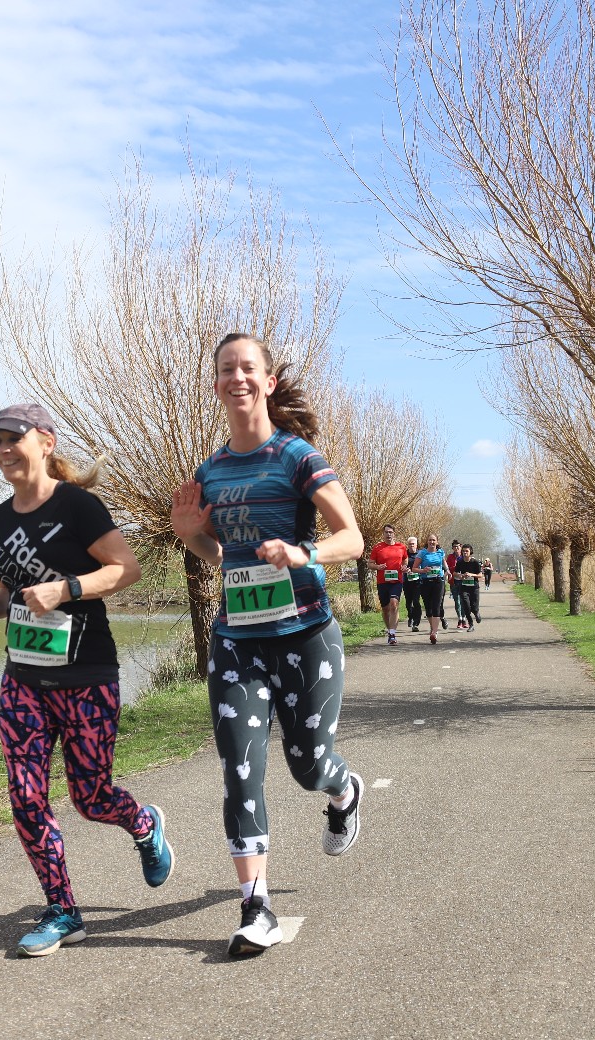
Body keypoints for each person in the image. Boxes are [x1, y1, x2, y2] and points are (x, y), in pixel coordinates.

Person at [171, 332, 367, 958]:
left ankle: (343, 789)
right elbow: (218, 554)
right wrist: (190, 533)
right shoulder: (210, 472)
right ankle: (255, 907)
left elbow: (352, 538)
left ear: (268, 381)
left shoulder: (296, 457)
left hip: (305, 636)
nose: (238, 377)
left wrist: (302, 553)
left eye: (248, 368)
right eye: (227, 369)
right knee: (240, 770)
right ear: (216, 384)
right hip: (237, 642)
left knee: (308, 766)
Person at [0, 402, 174, 958]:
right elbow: (14, 590)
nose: (3, 449)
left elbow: (125, 569)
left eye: (13, 438)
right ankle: (62, 910)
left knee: (91, 797)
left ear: (45, 442)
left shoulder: (78, 505)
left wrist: (67, 589)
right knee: (26, 796)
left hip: (87, 676)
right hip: (24, 680)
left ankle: (143, 824)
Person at [369, 523, 409, 645]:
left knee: (394, 604)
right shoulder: (377, 548)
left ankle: (392, 634)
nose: (388, 534)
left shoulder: (401, 547)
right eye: (386, 532)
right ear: (383, 534)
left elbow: (405, 559)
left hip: (396, 581)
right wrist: (378, 567)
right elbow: (370, 564)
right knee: (385, 609)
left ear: (394, 534)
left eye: (390, 532)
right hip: (382, 582)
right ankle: (389, 630)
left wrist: (404, 566)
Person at [415, 533, 450, 644]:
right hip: (425, 582)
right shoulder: (422, 553)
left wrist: (448, 571)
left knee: (436, 606)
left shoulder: (440, 552)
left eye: (434, 540)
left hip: (438, 581)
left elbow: (444, 564)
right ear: (427, 541)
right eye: (430, 540)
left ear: (437, 542)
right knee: (428, 608)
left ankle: (434, 632)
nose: (432, 542)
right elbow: (414, 568)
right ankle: (433, 627)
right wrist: (423, 570)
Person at [454, 544, 483, 630]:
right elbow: (455, 573)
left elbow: (480, 575)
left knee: (474, 606)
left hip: (474, 587)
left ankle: (476, 613)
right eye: (463, 551)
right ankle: (471, 624)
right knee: (466, 606)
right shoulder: (460, 562)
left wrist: (471, 575)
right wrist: (460, 575)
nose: (465, 553)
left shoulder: (475, 562)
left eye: (466, 551)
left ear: (470, 552)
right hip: (464, 587)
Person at [403, 535, 424, 632]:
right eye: (410, 544)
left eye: (413, 544)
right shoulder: (405, 555)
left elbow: (424, 565)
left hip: (418, 581)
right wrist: (405, 569)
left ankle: (416, 622)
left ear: (416, 545)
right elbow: (401, 565)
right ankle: (410, 616)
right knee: (408, 602)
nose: (411, 546)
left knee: (416, 601)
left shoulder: (420, 554)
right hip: (407, 581)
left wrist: (418, 571)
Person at [444, 539, 463, 629]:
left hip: (463, 581)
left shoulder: (464, 555)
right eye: (454, 547)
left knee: (464, 601)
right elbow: (447, 568)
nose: (456, 548)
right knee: (457, 601)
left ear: (460, 547)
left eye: (457, 546)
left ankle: (464, 618)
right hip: (454, 581)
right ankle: (460, 619)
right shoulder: (450, 557)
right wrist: (454, 568)